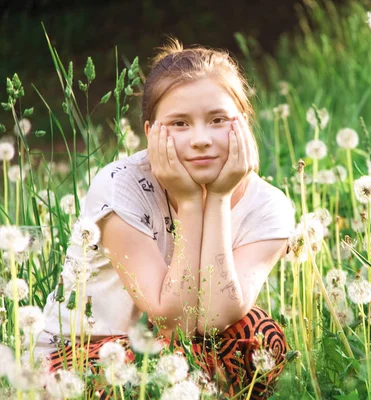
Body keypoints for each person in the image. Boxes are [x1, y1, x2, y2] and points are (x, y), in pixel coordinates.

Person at [31, 37, 296, 398]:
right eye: (180, 123)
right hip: (87, 356)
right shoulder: (120, 184)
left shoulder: (268, 206)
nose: (201, 138)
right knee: (146, 366)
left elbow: (216, 318)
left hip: (185, 352)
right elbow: (171, 320)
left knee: (258, 333)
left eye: (218, 119)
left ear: (244, 125)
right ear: (150, 133)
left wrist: (216, 199)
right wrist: (189, 203)